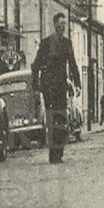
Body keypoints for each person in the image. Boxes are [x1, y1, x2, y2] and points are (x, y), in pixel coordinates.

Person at [31, 12, 81, 164]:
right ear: (55, 25)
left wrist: (77, 84)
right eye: (60, 25)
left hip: (61, 87)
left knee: (61, 119)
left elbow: (72, 64)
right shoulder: (46, 43)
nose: (63, 28)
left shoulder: (67, 43)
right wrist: (36, 85)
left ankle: (59, 153)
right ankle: (53, 154)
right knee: (52, 119)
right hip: (48, 88)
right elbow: (36, 65)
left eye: (64, 25)